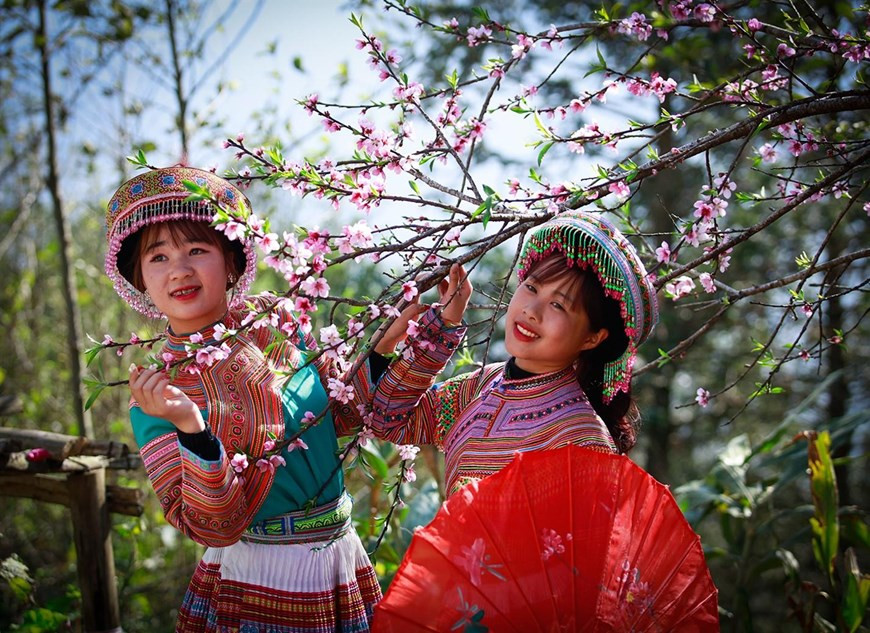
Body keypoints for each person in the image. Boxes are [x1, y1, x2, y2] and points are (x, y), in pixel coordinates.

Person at [104, 166, 385, 632]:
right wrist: (192, 428)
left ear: (231, 260)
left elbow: (351, 411)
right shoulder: (159, 394)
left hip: (342, 566)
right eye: (158, 258)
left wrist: (403, 337)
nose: (179, 270)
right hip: (255, 582)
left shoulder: (280, 327)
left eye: (197, 249)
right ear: (141, 281)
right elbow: (214, 528)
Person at [367, 210, 658, 497]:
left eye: (558, 305)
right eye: (531, 287)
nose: (531, 311)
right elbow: (387, 419)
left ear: (593, 338)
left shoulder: (582, 441)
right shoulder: (481, 386)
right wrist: (412, 334)